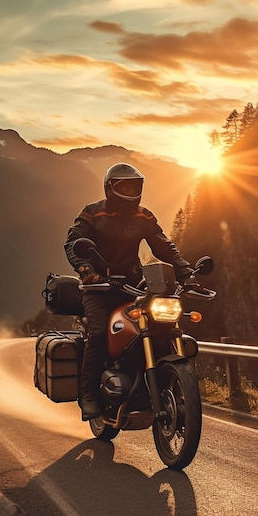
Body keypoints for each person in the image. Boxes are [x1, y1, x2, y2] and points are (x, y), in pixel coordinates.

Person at [64, 162, 194, 421]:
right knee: (99, 333)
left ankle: (153, 383)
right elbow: (73, 243)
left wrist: (185, 272)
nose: (131, 190)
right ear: (110, 188)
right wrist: (87, 270)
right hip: (99, 288)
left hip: (133, 286)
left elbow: (164, 246)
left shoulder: (143, 216)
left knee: (156, 327)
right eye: (125, 185)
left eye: (135, 185)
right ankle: (89, 394)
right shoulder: (92, 214)